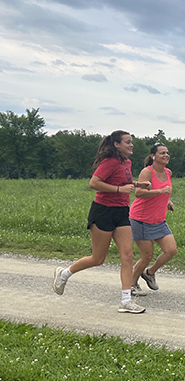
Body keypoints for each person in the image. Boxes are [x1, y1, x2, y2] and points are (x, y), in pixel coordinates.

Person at [53, 130, 151, 313]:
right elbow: (94, 183)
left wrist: (138, 184)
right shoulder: (109, 162)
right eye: (127, 142)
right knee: (98, 259)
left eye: (132, 142)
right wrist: (119, 190)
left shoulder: (126, 162)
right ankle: (64, 273)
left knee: (127, 255)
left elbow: (124, 181)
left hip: (121, 212)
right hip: (103, 211)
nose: (131, 145)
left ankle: (126, 301)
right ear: (116, 145)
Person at [129, 143, 177, 296]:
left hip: (158, 220)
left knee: (171, 250)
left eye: (167, 153)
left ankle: (149, 273)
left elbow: (164, 190)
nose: (166, 155)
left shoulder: (168, 172)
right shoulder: (147, 172)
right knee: (147, 255)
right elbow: (139, 193)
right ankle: (131, 284)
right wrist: (160, 191)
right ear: (153, 156)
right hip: (141, 219)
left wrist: (167, 200)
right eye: (162, 153)